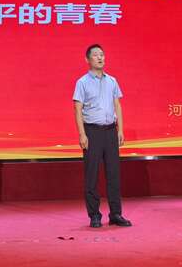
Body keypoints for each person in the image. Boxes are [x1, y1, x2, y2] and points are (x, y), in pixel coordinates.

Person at [72, 43, 132, 228]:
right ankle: (94, 215)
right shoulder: (82, 82)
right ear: (87, 59)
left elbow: (117, 105)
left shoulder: (112, 81)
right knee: (92, 175)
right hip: (92, 132)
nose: (100, 58)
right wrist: (82, 134)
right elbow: (77, 109)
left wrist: (120, 130)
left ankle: (115, 214)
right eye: (96, 55)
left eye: (102, 55)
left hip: (110, 131)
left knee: (113, 174)